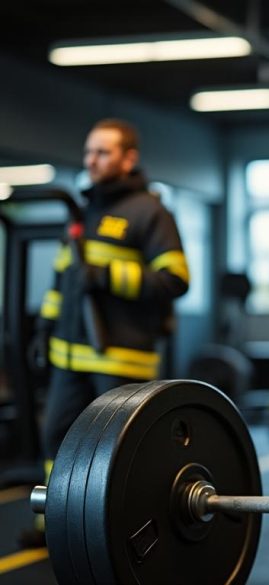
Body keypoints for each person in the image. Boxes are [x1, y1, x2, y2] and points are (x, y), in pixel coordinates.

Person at [20, 118, 189, 548]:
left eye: (103, 152)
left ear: (128, 158)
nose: (91, 161)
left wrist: (109, 274)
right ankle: (53, 527)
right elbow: (64, 280)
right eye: (88, 152)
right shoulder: (82, 212)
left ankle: (114, 530)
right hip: (69, 356)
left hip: (120, 360)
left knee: (118, 452)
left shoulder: (150, 211)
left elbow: (175, 280)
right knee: (55, 440)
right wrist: (45, 326)